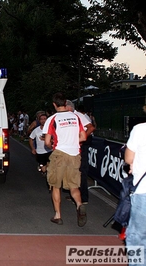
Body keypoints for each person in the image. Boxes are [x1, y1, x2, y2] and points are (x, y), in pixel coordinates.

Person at [43, 92, 87, 227]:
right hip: (75, 155)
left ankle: (58, 216)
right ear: (66, 103)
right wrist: (73, 141)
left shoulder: (53, 119)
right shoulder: (76, 118)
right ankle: (79, 205)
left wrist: (54, 146)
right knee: (74, 186)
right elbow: (84, 137)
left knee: (55, 186)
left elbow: (47, 142)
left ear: (54, 104)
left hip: (60, 154)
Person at [124, 121, 146, 265]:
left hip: (144, 191)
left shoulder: (140, 129)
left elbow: (128, 158)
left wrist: (134, 164)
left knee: (137, 237)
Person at [66, 101, 95, 204]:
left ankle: (83, 197)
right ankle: (75, 193)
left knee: (81, 170)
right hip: (74, 146)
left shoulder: (78, 116)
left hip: (81, 146)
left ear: (68, 107)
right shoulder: (72, 116)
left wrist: (81, 139)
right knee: (73, 170)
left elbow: (91, 127)